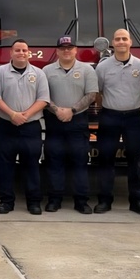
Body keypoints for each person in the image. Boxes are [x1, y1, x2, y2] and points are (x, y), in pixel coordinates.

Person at [94, 29, 140, 215]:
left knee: (136, 160)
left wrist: (135, 107)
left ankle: (137, 201)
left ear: (130, 42)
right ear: (112, 42)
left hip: (134, 118)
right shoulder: (102, 67)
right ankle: (105, 200)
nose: (121, 42)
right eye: (118, 39)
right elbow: (98, 93)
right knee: (106, 159)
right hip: (109, 117)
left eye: (124, 39)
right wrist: (109, 107)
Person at [0, 39, 50, 215]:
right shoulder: (0, 72)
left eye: (24, 50)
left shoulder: (39, 74)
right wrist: (12, 114)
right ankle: (6, 202)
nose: (21, 53)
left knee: (32, 165)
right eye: (17, 50)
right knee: (4, 166)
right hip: (5, 125)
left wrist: (25, 115)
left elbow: (44, 99)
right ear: (11, 53)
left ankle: (33, 202)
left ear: (28, 53)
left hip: (30, 126)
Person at [43, 36, 98, 213]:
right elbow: (43, 96)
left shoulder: (87, 70)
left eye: (70, 47)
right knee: (54, 161)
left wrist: (72, 110)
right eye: (62, 48)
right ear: (57, 51)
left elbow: (91, 95)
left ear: (76, 50)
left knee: (80, 162)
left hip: (78, 122)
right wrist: (57, 110)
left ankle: (81, 201)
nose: (66, 50)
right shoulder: (46, 70)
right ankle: (54, 199)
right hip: (54, 120)